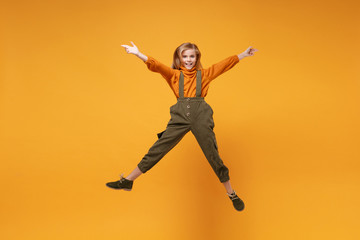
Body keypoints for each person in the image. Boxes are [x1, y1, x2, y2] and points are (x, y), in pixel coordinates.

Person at [106, 41, 258, 211]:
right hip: (179, 116)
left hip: (201, 116)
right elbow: (156, 66)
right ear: (179, 59)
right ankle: (128, 180)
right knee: (159, 147)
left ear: (197, 57)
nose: (188, 60)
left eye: (192, 56)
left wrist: (243, 55)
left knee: (212, 154)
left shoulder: (204, 74)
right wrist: (138, 54)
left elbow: (224, 65)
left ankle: (231, 193)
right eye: (185, 56)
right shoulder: (174, 75)